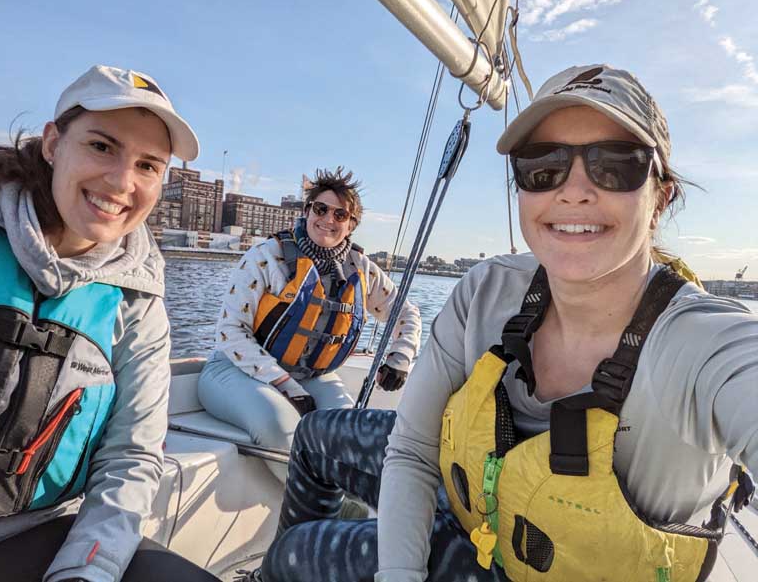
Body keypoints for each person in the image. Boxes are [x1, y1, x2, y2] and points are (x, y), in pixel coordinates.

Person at [249, 64, 758, 582]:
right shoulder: (486, 290)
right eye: (543, 165)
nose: (574, 190)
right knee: (313, 434)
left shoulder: (706, 344)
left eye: (616, 165)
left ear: (660, 199)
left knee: (296, 553)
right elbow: (413, 449)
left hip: (525, 569)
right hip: (473, 495)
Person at [0, 65, 219, 582]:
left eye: (148, 165)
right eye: (101, 146)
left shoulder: (138, 301)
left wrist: (85, 572)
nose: (122, 182)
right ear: (53, 143)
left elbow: (131, 456)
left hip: (36, 533)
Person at [198, 167, 421, 480]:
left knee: (350, 433)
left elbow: (405, 313)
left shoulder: (362, 269)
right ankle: (322, 508)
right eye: (321, 209)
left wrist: (401, 358)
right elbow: (230, 332)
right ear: (306, 211)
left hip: (309, 375)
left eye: (340, 214)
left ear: (351, 224)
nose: (328, 219)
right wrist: (286, 386)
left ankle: (345, 511)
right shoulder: (266, 256)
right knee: (280, 424)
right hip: (234, 371)